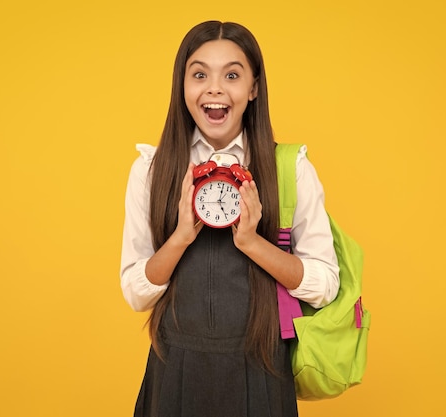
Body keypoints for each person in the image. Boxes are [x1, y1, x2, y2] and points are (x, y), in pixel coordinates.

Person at [120, 21, 340, 417]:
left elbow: (325, 285)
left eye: (233, 75)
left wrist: (253, 243)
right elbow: (136, 293)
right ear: (182, 86)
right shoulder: (152, 170)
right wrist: (181, 236)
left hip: (261, 371)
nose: (215, 88)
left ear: (254, 88)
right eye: (200, 74)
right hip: (175, 373)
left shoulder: (289, 169)